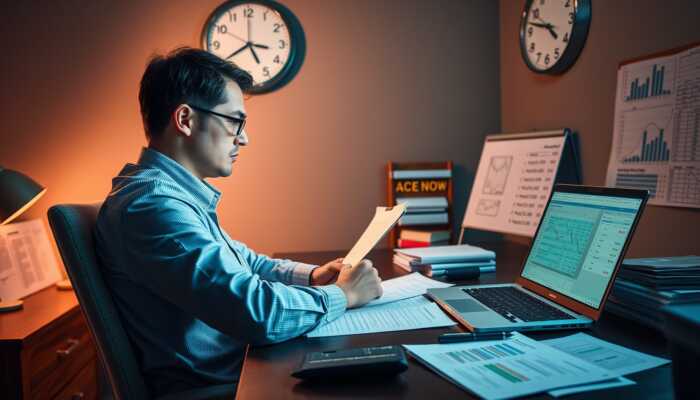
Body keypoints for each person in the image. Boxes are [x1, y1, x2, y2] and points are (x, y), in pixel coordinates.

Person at [95, 47, 383, 397]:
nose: (243, 137)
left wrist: (312, 276)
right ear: (185, 120)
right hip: (228, 385)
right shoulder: (152, 206)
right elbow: (257, 313)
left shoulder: (170, 196)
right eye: (234, 121)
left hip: (249, 366)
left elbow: (244, 261)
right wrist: (343, 294)